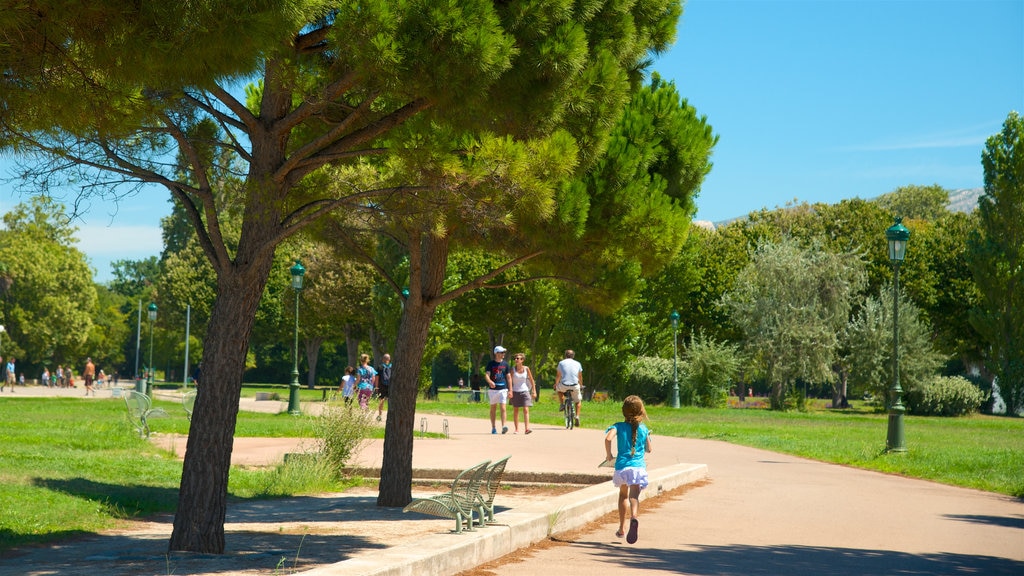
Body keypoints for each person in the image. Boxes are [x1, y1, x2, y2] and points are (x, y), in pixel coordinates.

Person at [604, 395, 653, 544]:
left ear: (623, 411)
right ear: (641, 411)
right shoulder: (643, 429)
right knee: (634, 497)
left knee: (623, 496)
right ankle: (634, 517)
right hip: (638, 468)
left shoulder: (618, 426)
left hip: (622, 467)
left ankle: (621, 528)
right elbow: (649, 449)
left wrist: (609, 455)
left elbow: (608, 439)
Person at [484, 345, 511, 434]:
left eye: (504, 352)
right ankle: (493, 427)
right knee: (493, 409)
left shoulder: (506, 364)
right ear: (496, 353)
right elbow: (487, 375)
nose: (503, 354)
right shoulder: (491, 364)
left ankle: (504, 426)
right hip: (493, 390)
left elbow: (509, 377)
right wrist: (490, 381)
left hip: (503, 389)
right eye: (502, 352)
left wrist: (510, 390)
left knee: (503, 408)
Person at [509, 353, 538, 434]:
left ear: (522, 360)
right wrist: (510, 391)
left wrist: (534, 391)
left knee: (526, 409)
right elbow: (510, 381)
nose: (516, 360)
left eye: (518, 358)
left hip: (525, 391)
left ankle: (527, 428)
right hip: (515, 391)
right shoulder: (513, 369)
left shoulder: (526, 369)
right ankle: (516, 429)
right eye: (515, 358)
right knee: (516, 410)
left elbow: (532, 380)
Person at [556, 349, 584, 426]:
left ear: (565, 355)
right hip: (574, 385)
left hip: (564, 385)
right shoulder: (578, 363)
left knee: (559, 390)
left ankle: (562, 404)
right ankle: (577, 416)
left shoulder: (561, 363)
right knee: (578, 401)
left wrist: (556, 384)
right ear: (573, 356)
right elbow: (580, 376)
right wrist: (581, 385)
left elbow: (558, 375)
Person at [376, 353, 393, 422]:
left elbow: (377, 378)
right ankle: (390, 416)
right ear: (389, 359)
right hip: (390, 386)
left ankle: (380, 415)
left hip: (382, 385)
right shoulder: (393, 367)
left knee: (381, 400)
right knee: (390, 401)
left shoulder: (380, 367)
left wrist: (376, 387)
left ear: (383, 359)